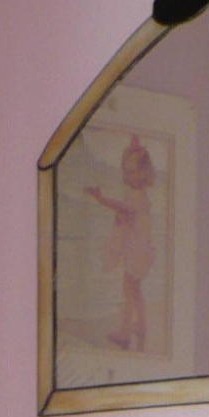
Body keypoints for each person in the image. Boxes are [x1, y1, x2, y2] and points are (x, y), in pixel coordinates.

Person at [85, 133, 156, 352]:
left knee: (129, 291)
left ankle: (125, 333)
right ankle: (142, 327)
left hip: (137, 250)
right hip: (142, 248)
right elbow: (129, 216)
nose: (129, 175)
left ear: (143, 172)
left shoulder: (136, 195)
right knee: (136, 291)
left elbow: (122, 209)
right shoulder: (139, 192)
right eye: (126, 171)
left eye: (133, 171)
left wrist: (101, 199)